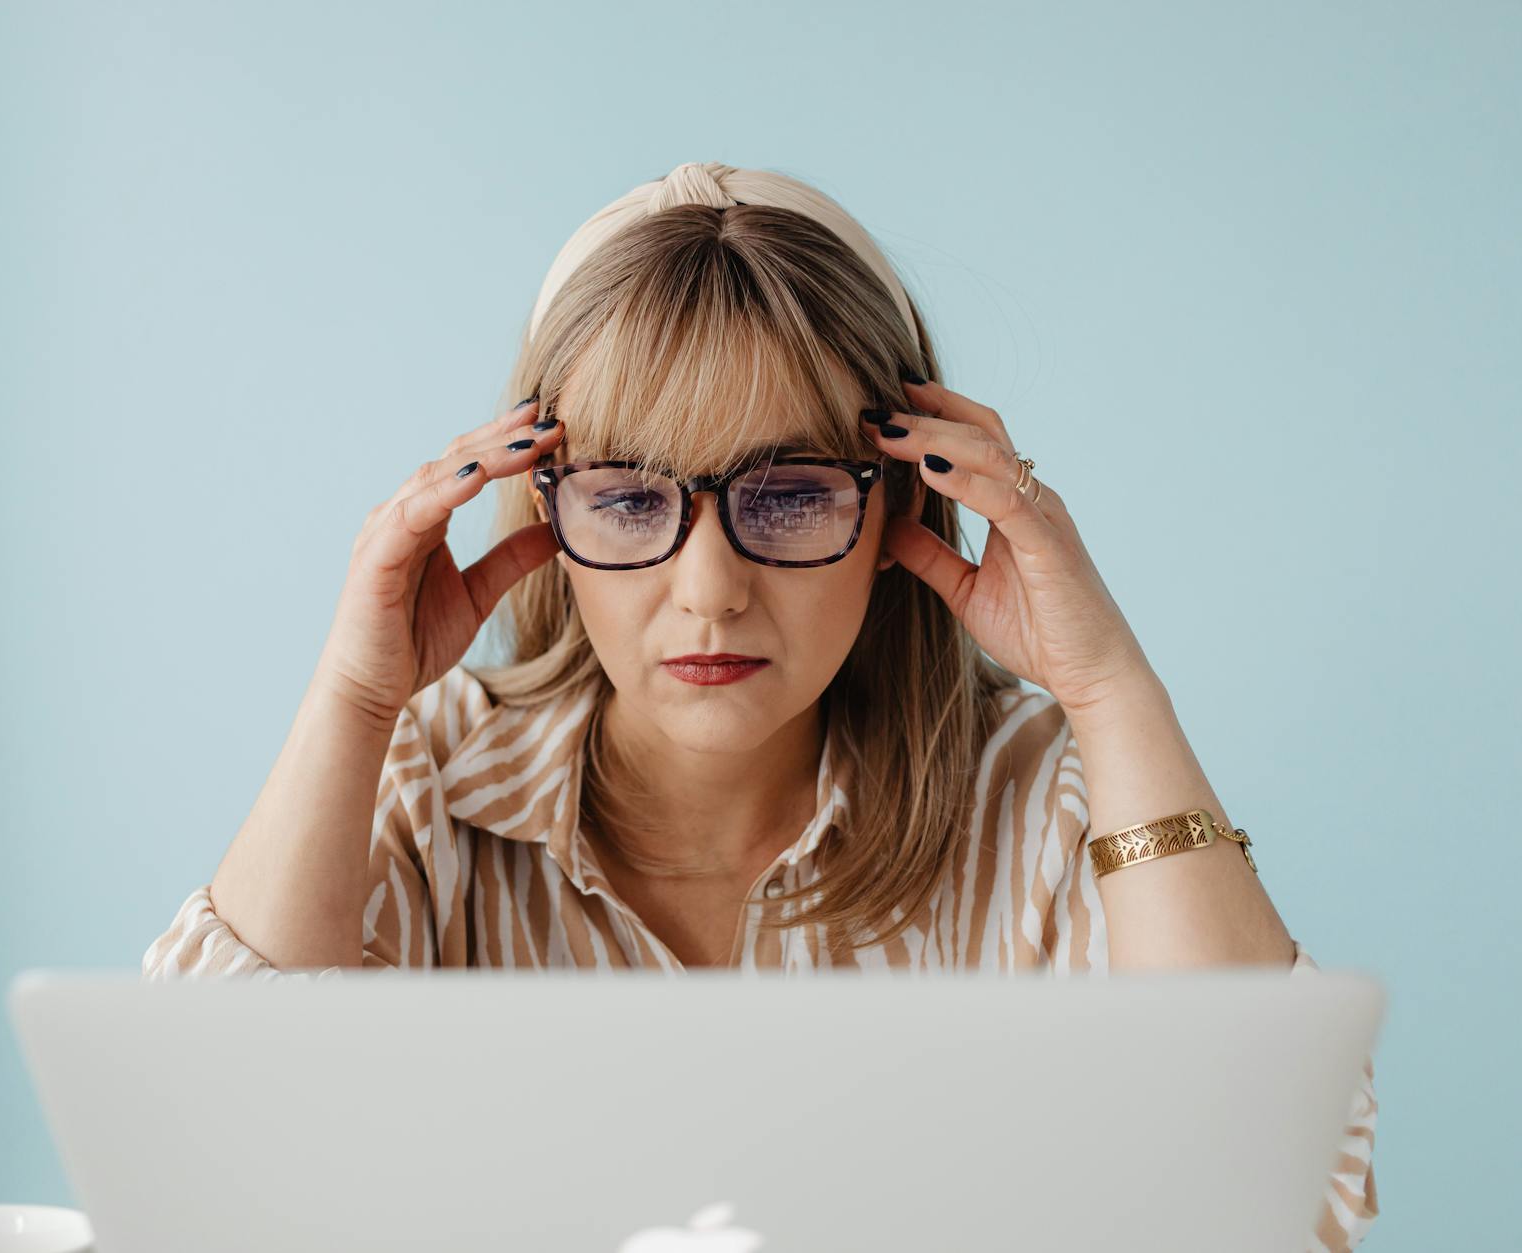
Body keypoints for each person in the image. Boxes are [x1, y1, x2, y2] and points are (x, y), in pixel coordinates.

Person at [141, 162, 1378, 1250]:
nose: (710, 594)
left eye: (786, 493)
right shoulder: (426, 788)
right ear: (548, 513)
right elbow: (196, 1186)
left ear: (897, 505)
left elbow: (1271, 1208)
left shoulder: (1036, 802)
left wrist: (1110, 690)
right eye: (628, 499)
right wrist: (357, 700)